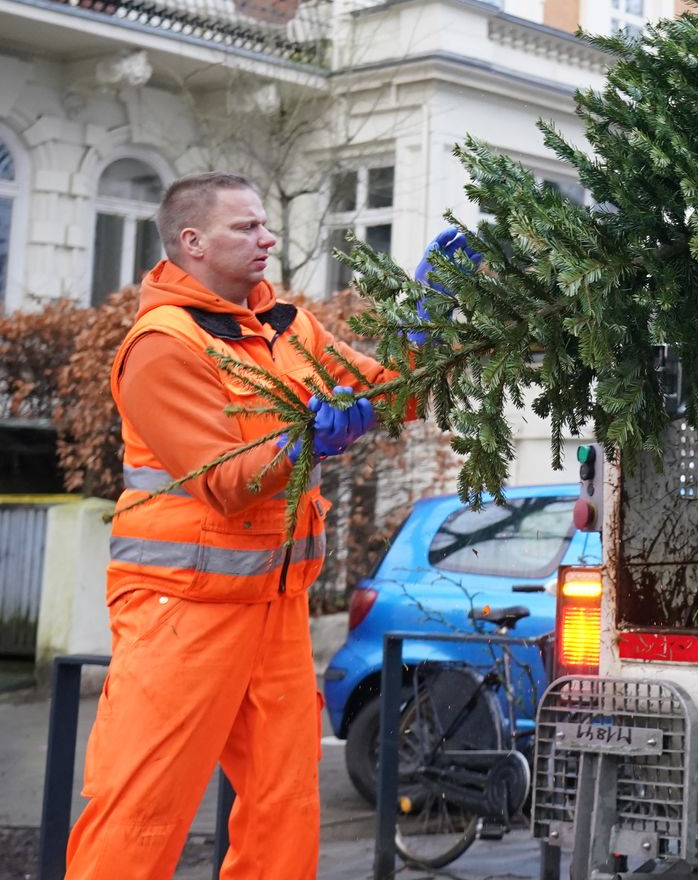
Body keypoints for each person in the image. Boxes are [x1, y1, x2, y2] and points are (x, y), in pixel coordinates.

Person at [64, 172, 437, 880]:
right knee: (142, 808)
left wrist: (429, 325)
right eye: (247, 227)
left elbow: (391, 396)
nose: (267, 238)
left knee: (282, 804)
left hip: (274, 605)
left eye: (266, 224)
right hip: (182, 612)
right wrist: (310, 441)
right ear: (192, 242)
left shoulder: (285, 325)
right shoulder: (161, 345)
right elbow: (222, 483)